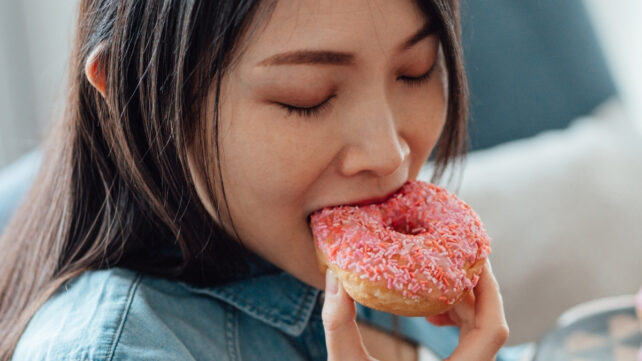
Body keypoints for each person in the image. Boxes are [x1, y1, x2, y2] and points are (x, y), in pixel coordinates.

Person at [0, 0, 510, 360]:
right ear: (140, 100)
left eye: (415, 71)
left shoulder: (376, 276)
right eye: (305, 96)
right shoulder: (115, 350)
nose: (390, 155)